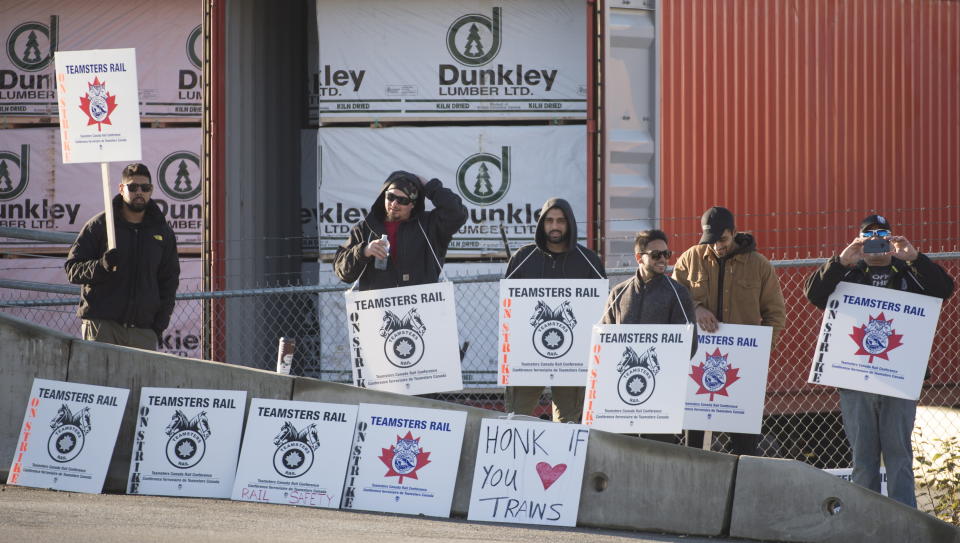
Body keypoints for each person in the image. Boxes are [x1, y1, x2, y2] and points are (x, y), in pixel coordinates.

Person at [804, 214, 954, 507]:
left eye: (882, 234)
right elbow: (814, 293)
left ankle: (904, 524)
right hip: (854, 379)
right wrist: (841, 260)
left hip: (899, 380)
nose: (876, 241)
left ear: (891, 238)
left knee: (899, 456)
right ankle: (865, 522)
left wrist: (915, 258)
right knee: (863, 458)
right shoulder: (849, 273)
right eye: (869, 236)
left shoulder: (907, 270)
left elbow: (944, 289)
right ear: (860, 239)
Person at [672, 206, 786, 455]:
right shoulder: (690, 259)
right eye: (710, 241)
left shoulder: (759, 266)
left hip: (742, 371)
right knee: (695, 446)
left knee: (744, 447)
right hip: (698, 367)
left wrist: (758, 355)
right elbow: (674, 300)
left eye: (722, 239)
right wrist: (697, 308)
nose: (716, 246)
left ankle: (741, 491)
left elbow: (775, 315)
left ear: (734, 232)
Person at [502, 197, 606, 423]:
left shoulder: (588, 260)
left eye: (561, 221)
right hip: (527, 357)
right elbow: (509, 308)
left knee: (570, 423)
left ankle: (565, 460)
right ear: (541, 224)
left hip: (574, 357)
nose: (555, 226)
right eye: (549, 221)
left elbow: (601, 309)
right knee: (516, 418)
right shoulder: (522, 257)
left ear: (569, 224)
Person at [65, 163, 180, 350]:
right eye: (133, 187)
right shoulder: (100, 225)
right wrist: (101, 266)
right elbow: (72, 270)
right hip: (102, 327)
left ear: (151, 191)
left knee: (141, 381)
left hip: (143, 332)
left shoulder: (163, 232)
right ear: (121, 189)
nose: (139, 192)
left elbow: (169, 281)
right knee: (99, 380)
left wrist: (157, 326)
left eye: (145, 188)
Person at [602, 229, 698, 443]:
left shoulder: (678, 293)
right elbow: (604, 341)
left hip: (660, 396)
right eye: (656, 255)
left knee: (657, 454)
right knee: (620, 451)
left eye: (667, 254)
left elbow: (689, 344)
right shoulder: (618, 293)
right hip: (621, 396)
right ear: (639, 257)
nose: (663, 259)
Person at [335, 171, 467, 290]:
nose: (394, 204)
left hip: (421, 310)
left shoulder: (429, 225)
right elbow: (342, 272)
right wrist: (363, 251)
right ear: (383, 196)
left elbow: (457, 213)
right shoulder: (365, 228)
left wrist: (430, 187)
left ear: (413, 204)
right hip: (379, 312)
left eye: (402, 200)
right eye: (390, 197)